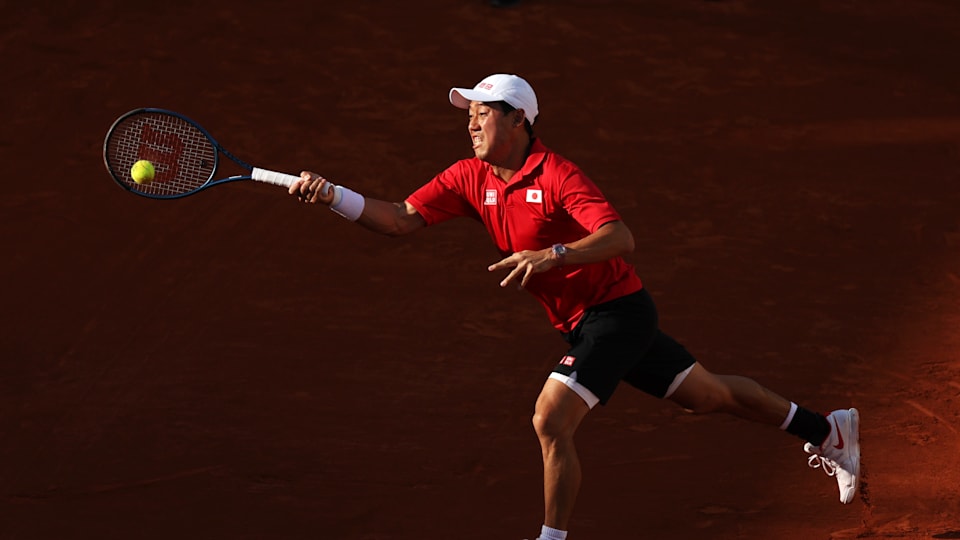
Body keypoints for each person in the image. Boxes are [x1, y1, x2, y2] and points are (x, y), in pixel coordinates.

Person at [288, 73, 861, 540]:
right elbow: (400, 220)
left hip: (618, 313)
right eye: (468, 113)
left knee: (550, 419)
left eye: (482, 112)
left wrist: (551, 255)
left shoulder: (559, 175)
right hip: (584, 322)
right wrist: (332, 194)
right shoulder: (470, 177)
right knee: (707, 396)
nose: (470, 122)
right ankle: (828, 428)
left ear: (518, 119)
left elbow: (620, 237)